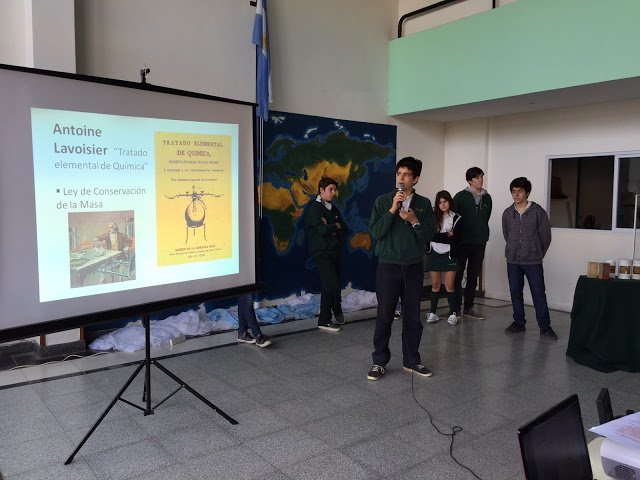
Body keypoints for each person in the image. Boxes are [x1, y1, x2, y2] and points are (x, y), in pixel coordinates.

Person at [367, 157, 435, 381]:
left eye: (406, 174)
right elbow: (376, 233)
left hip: (414, 267)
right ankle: (379, 361)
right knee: (385, 315)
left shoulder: (424, 204)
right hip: (388, 266)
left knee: (412, 316)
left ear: (416, 179)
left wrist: (414, 220)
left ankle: (412, 360)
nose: (401, 178)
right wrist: (392, 210)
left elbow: (428, 235)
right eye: (399, 173)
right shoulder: (383, 201)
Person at [502, 177, 557, 340]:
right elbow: (507, 235)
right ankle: (519, 323)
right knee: (515, 292)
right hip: (513, 261)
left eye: (520, 191)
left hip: (533, 261)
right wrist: (513, 249)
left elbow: (545, 236)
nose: (516, 194)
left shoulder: (538, 212)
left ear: (527, 193)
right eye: (513, 191)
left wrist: (536, 252)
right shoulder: (507, 213)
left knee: (538, 293)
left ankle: (545, 327)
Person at [304, 177, 348, 332]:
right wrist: (335, 226)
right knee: (331, 285)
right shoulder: (315, 209)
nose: (333, 193)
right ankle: (326, 318)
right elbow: (322, 230)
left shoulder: (333, 209)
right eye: (330, 189)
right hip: (322, 252)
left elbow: (344, 228)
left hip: (334, 251)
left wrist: (332, 226)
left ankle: (332, 313)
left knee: (330, 285)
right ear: (321, 190)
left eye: (335, 190)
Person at [453, 167, 492, 320]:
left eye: (481, 176)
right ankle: (455, 309)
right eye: (477, 177)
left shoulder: (487, 198)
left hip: (479, 243)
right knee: (457, 276)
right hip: (461, 243)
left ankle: (469, 308)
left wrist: (482, 235)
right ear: (470, 180)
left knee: (473, 276)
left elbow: (485, 218)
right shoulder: (460, 197)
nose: (480, 179)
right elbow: (454, 219)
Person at [425, 190, 462, 326]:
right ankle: (433, 313)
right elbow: (429, 235)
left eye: (445, 201)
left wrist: (439, 236)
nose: (443, 204)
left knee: (449, 285)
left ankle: (453, 314)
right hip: (434, 253)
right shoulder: (432, 217)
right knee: (435, 284)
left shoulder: (457, 218)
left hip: (450, 255)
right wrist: (446, 235)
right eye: (440, 202)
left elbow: (455, 239)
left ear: (449, 202)